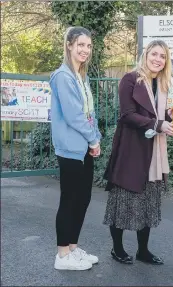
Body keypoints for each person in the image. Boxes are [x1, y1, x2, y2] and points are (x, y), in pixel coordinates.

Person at [103, 40, 173, 265]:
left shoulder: (161, 84)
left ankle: (142, 251)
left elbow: (154, 113)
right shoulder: (130, 79)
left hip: (154, 152)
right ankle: (117, 249)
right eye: (154, 54)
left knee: (147, 203)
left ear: (166, 62)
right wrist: (158, 124)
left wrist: (170, 116)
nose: (157, 59)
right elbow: (127, 115)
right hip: (131, 150)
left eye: (162, 56)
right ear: (145, 56)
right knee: (123, 202)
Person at [49, 26, 102, 271]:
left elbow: (89, 112)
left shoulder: (82, 76)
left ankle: (72, 248)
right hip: (71, 148)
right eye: (80, 45)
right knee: (69, 200)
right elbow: (73, 115)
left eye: (89, 46)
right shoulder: (63, 76)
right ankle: (62, 255)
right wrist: (93, 139)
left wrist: (95, 138)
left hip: (84, 147)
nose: (85, 50)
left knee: (83, 199)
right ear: (69, 45)